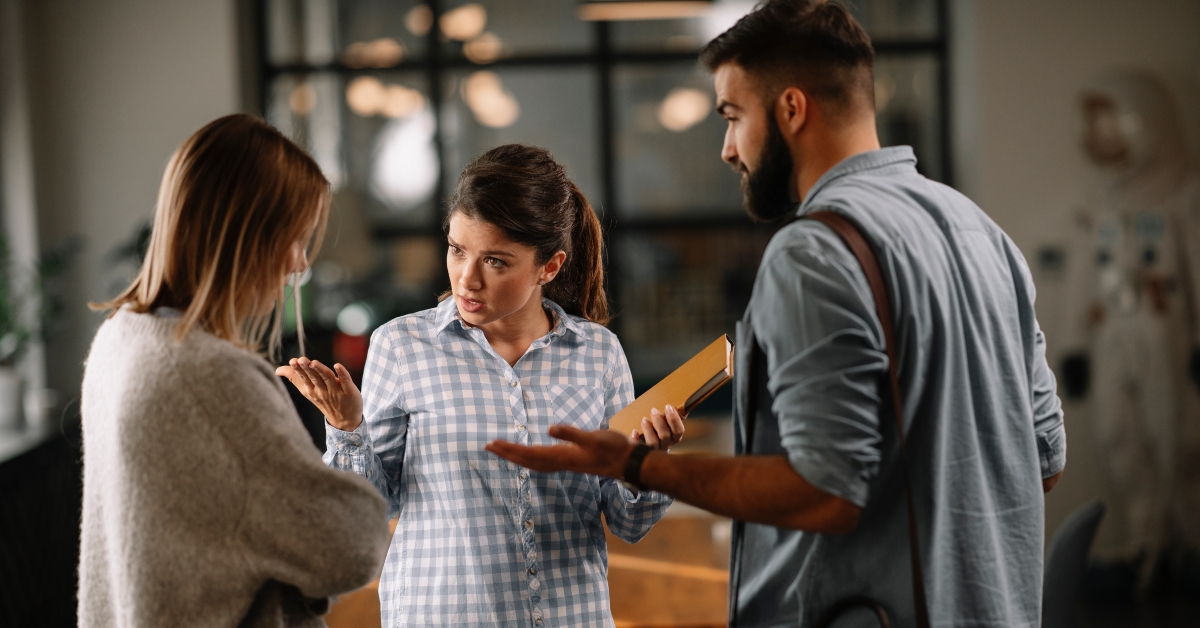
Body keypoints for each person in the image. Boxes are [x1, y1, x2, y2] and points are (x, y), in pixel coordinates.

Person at [485, 1, 1067, 626]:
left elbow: (826, 491)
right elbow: (1043, 460)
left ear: (791, 109)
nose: (728, 149)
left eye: (734, 116)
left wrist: (632, 464)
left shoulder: (815, 251)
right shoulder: (981, 232)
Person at [279, 144, 684, 628]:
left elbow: (627, 522)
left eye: (495, 261)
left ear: (548, 267)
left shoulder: (599, 355)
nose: (466, 279)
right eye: (457, 250)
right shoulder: (402, 346)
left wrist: (647, 464)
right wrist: (347, 426)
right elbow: (374, 507)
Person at [79, 114, 390, 627]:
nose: (297, 264)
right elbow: (350, 546)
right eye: (294, 238)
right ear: (244, 234)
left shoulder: (120, 336)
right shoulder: (210, 375)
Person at [1059, 70, 1200, 594]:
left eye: (1112, 122)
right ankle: (1146, 548)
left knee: (1183, 441)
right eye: (1095, 124)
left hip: (1169, 338)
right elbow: (1081, 275)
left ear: (1148, 124)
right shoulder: (1098, 202)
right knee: (1121, 438)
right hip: (1113, 336)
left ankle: (1189, 546)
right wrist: (1074, 346)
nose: (1103, 136)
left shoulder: (1184, 191)